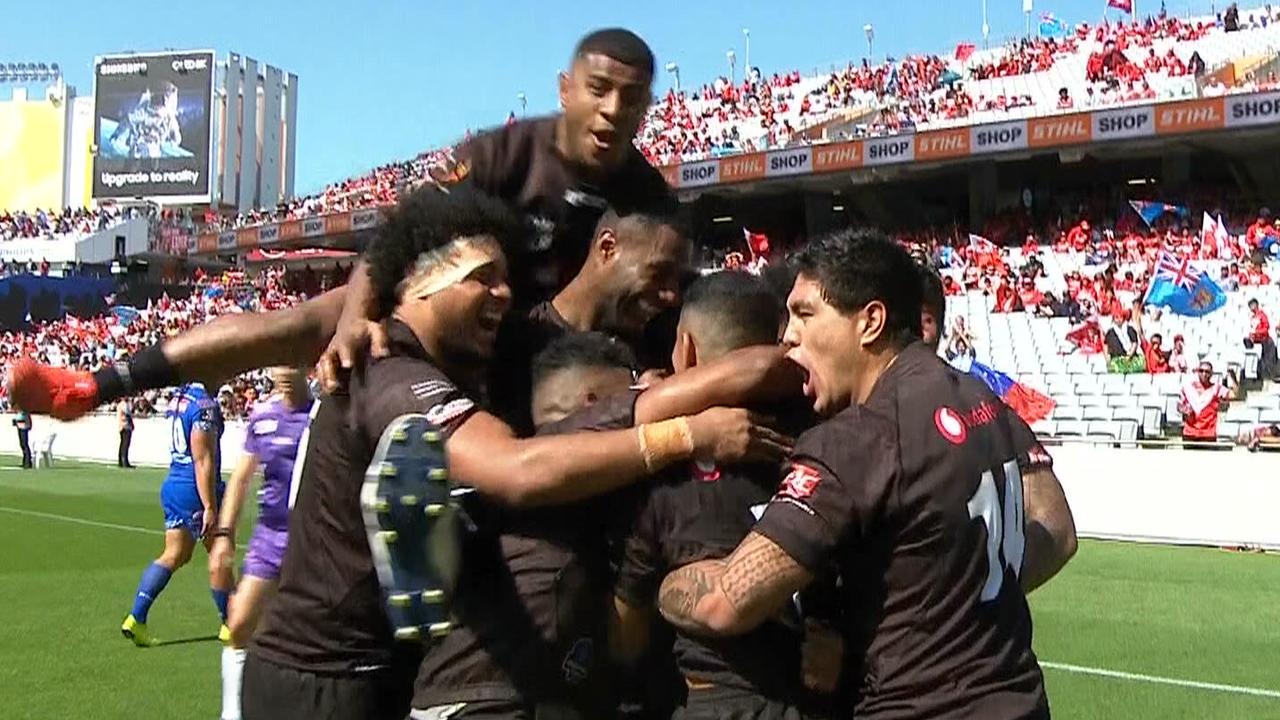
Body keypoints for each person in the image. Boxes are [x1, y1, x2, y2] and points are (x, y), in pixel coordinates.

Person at [242, 187, 790, 720]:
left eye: (506, 279)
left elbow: (564, 436)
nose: (503, 294)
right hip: (326, 677)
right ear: (419, 282)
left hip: (391, 669)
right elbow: (518, 469)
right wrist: (685, 436)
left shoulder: (473, 365)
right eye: (482, 277)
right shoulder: (391, 371)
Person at [7, 27, 672, 420]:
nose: (614, 108)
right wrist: (357, 317)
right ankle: (93, 387)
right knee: (298, 323)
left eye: (632, 96)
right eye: (599, 88)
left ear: (649, 105)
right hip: (452, 314)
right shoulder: (502, 154)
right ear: (565, 88)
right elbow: (398, 235)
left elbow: (671, 301)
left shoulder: (652, 201)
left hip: (563, 354)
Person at [654, 229, 1078, 720]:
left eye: (805, 314)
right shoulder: (982, 399)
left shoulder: (857, 440)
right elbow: (1057, 530)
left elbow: (727, 601)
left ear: (870, 322)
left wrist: (668, 585)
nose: (788, 335)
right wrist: (956, 601)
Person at [612, 271, 835, 720]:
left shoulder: (655, 459)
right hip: (831, 692)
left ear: (685, 349)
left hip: (715, 698)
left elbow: (626, 634)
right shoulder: (831, 434)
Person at [209, 367, 314, 720]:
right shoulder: (263, 416)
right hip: (270, 538)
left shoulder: (324, 416)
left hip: (314, 541)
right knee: (239, 625)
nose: (282, 371)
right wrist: (224, 537)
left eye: (290, 362)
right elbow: (239, 479)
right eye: (276, 364)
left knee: (310, 637)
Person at [121, 382, 233, 647]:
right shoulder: (204, 406)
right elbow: (202, 458)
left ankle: (136, 617)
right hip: (195, 487)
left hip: (174, 483)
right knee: (219, 550)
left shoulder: (177, 398)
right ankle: (231, 623)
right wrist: (209, 505)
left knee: (175, 554)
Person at [117, 398, 134, 468]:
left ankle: (121, 461)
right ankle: (124, 461)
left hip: (121, 426)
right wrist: (131, 423)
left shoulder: (120, 404)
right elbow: (127, 414)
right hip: (125, 425)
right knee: (125, 445)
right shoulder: (124, 404)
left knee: (122, 444)